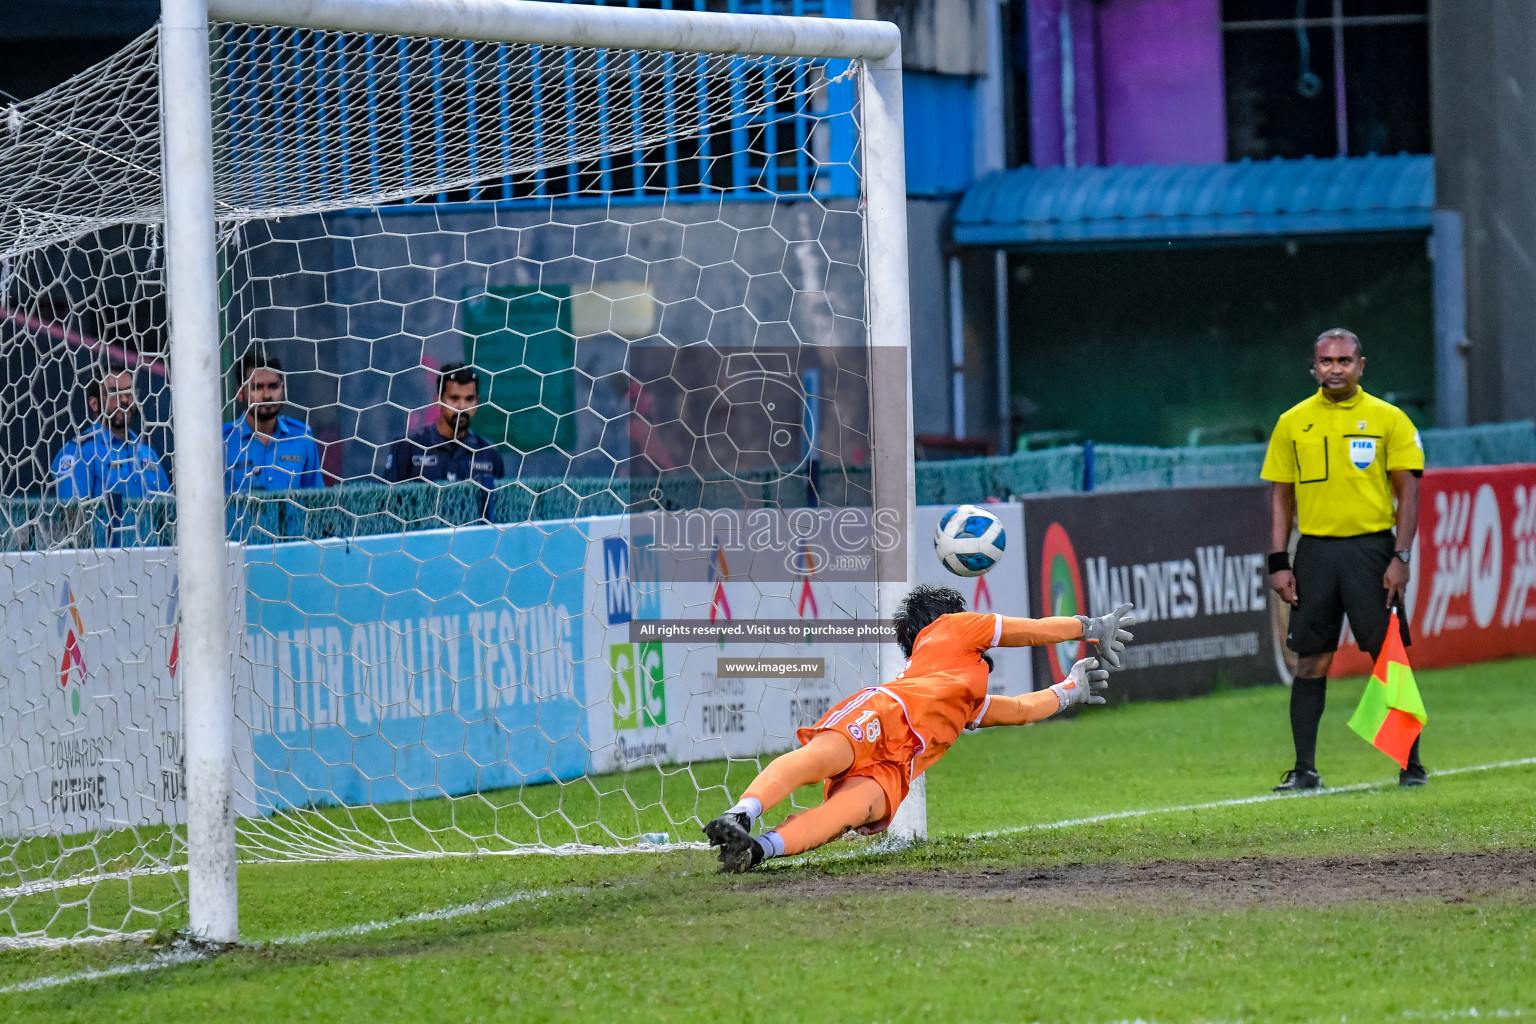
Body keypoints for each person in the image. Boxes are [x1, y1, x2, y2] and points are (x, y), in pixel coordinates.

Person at [702, 586, 1136, 872]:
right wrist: (1090, 627)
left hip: (897, 767)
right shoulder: (952, 626)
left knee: (843, 814)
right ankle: (741, 813)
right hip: (888, 710)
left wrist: (1071, 689)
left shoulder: (965, 701)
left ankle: (754, 850)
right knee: (816, 760)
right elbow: (1031, 631)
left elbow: (1022, 709)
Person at [1262, 328, 1426, 791]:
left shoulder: (1388, 419)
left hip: (1372, 552)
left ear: (1361, 365)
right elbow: (1281, 496)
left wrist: (1401, 555)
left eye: (1344, 361)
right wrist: (1279, 559)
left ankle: (1411, 764)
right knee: (1310, 660)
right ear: (1313, 367)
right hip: (1314, 553)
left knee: (1387, 657)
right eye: (1326, 361)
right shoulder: (1292, 422)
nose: (1335, 369)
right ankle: (1305, 770)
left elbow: (1408, 493)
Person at [53, 365, 170, 501]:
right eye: (114, 393)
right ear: (94, 403)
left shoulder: (147, 452)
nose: (125, 400)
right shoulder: (79, 453)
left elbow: (168, 512)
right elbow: (71, 517)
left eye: (129, 392)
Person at [386, 363, 505, 487]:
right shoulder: (409, 445)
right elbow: (387, 500)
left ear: (477, 403)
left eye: (469, 399)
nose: (462, 407)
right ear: (438, 401)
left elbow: (498, 502)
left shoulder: (488, 453)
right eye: (454, 398)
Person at [222, 353, 325, 492]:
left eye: (273, 386)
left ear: (283, 388)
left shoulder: (302, 438)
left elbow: (316, 501)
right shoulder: (223, 442)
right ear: (240, 393)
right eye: (257, 387)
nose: (267, 395)